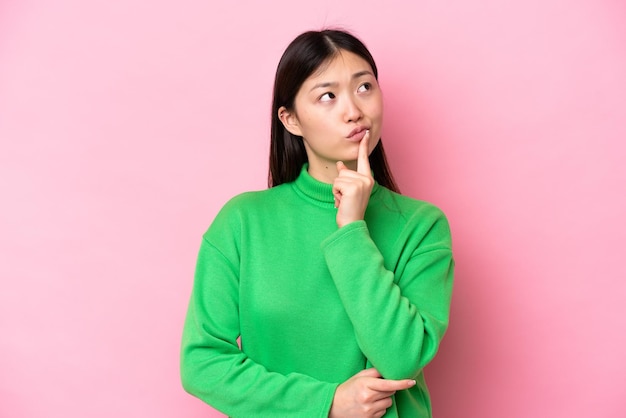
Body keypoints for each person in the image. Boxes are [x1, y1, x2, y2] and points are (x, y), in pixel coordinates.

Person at [180, 29, 454, 418]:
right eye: (328, 95)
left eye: (364, 87)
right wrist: (326, 403)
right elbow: (202, 364)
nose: (354, 110)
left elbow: (401, 358)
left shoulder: (421, 226)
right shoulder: (243, 222)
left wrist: (352, 231)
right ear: (290, 120)